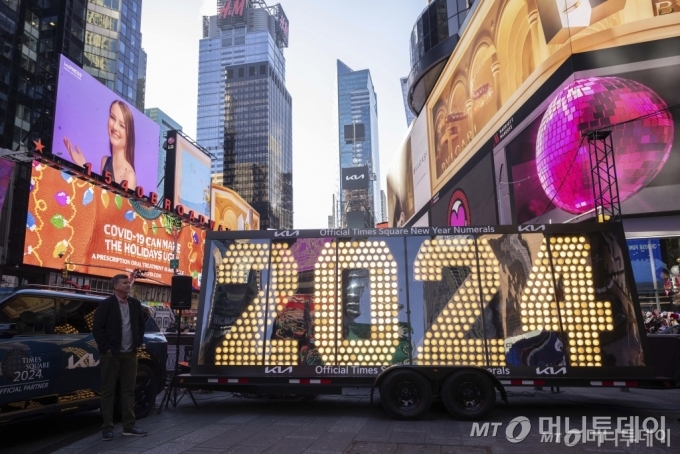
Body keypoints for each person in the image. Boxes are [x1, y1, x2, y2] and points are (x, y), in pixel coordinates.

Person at [92, 274, 148, 440]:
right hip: (111, 355)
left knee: (129, 391)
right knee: (108, 391)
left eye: (128, 282)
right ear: (115, 286)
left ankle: (129, 426)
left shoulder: (135, 304)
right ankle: (107, 427)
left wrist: (137, 342)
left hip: (130, 353)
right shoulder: (106, 305)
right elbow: (97, 329)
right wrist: (106, 349)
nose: (127, 285)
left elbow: (140, 324)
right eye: (124, 283)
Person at [64, 100, 137, 187]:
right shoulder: (105, 161)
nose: (115, 127)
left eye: (122, 125)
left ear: (129, 135)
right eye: (112, 118)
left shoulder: (129, 175)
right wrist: (83, 167)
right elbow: (101, 196)